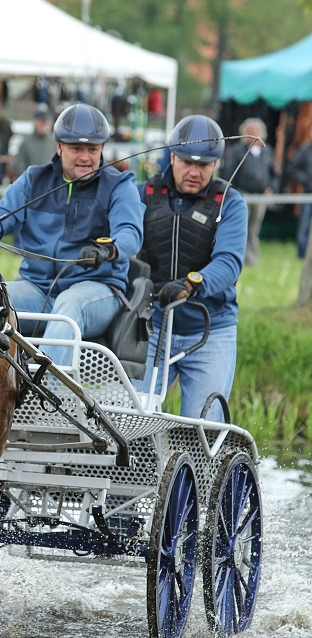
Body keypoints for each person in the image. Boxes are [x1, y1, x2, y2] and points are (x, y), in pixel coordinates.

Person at [0, 103, 144, 366]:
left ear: (102, 149)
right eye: (76, 148)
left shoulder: (119, 186)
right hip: (37, 287)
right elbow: (5, 211)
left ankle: (44, 398)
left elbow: (130, 233)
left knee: (68, 305)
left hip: (97, 288)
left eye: (93, 149)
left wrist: (108, 249)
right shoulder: (34, 178)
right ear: (59, 147)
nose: (85, 157)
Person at [136, 114, 248, 421]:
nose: (195, 172)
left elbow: (229, 262)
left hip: (210, 330)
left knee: (202, 428)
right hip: (151, 327)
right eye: (187, 162)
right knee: (131, 421)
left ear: (216, 164)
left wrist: (191, 283)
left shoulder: (231, 203)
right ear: (172, 156)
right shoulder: (141, 194)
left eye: (204, 165)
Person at [221, 118, 277, 267]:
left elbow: (273, 173)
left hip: (261, 197)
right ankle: (240, 258)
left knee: (254, 230)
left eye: (256, 132)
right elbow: (229, 172)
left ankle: (252, 260)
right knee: (241, 228)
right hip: (243, 194)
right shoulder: (238, 151)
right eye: (250, 132)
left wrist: (270, 187)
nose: (253, 134)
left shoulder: (267, 151)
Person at [14, 104, 57, 178]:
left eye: (46, 121)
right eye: (41, 120)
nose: (44, 123)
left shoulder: (55, 142)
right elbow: (20, 166)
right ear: (34, 121)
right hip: (32, 184)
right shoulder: (26, 142)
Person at [288, 141, 312, 259]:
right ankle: (302, 255)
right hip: (308, 194)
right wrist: (306, 181)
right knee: (304, 226)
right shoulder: (304, 150)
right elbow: (293, 168)